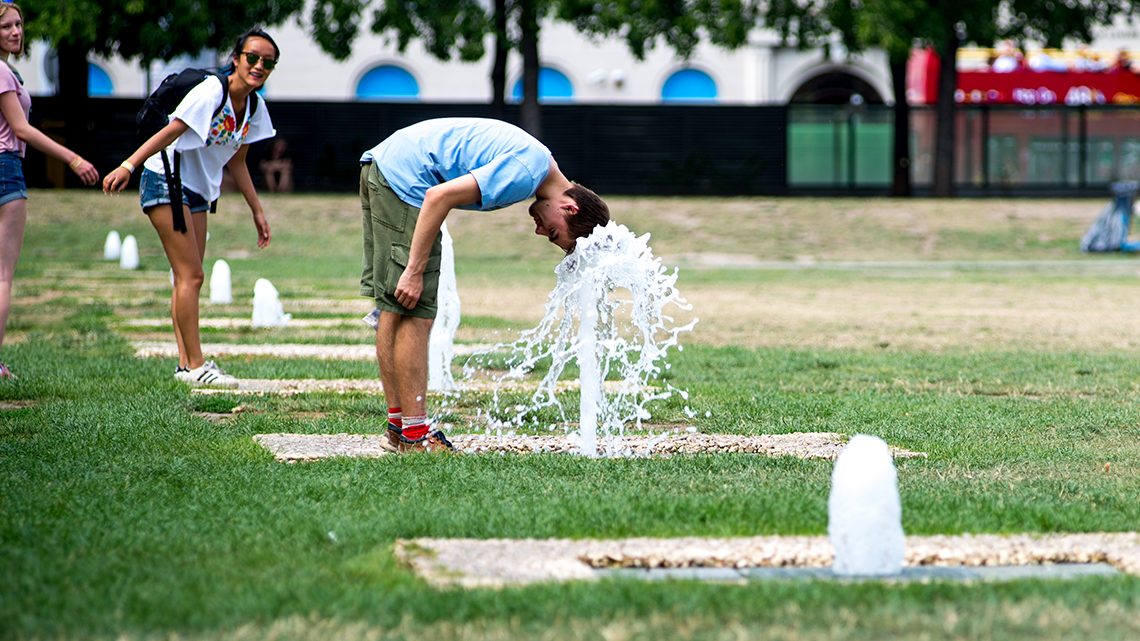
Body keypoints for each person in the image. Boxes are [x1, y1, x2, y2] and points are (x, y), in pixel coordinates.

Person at [360, 117, 609, 452]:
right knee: (415, 309)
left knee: (395, 306)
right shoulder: (526, 170)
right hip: (404, 179)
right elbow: (437, 197)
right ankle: (414, 437)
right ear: (570, 207)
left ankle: (399, 430)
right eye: (553, 232)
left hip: (386, 168)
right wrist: (415, 269)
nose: (539, 232)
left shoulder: (537, 163)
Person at [103, 28, 278, 388]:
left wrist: (257, 211)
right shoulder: (213, 91)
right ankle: (197, 366)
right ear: (236, 58)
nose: (259, 66)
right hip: (166, 178)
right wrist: (128, 165)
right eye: (253, 57)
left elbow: (238, 161)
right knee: (192, 276)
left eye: (268, 62)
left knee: (187, 278)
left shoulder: (255, 107)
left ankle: (186, 366)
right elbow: (171, 131)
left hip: (199, 191)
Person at [0, 2, 99, 380]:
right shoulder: (2, 73)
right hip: (6, 168)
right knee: (3, 276)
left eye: (19, 24)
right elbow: (21, 129)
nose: (16, 32)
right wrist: (73, 159)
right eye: (6, 26)